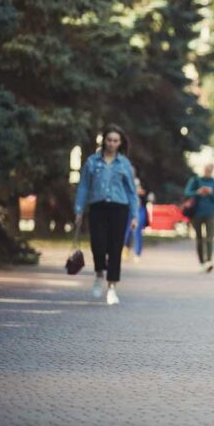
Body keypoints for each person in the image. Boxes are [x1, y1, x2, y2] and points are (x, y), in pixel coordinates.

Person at [75, 124, 138, 305]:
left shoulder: (124, 164)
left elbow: (131, 191)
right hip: (98, 207)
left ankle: (112, 288)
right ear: (104, 141)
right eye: (109, 140)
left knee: (115, 247)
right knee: (98, 245)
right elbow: (84, 186)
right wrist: (79, 210)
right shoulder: (92, 162)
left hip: (120, 208)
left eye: (115, 141)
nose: (112, 144)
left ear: (120, 143)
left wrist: (134, 216)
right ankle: (99, 274)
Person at [184, 163, 214, 273]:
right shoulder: (195, 180)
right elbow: (187, 193)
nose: (207, 172)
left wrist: (210, 193)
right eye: (206, 169)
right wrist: (198, 192)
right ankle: (202, 262)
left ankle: (209, 261)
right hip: (196, 213)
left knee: (209, 237)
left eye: (210, 170)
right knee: (199, 239)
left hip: (210, 213)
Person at [123, 176, 153, 262]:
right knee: (127, 231)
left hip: (140, 209)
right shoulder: (124, 180)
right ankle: (125, 249)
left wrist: (143, 194)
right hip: (128, 208)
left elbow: (148, 194)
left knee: (137, 230)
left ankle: (137, 253)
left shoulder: (142, 182)